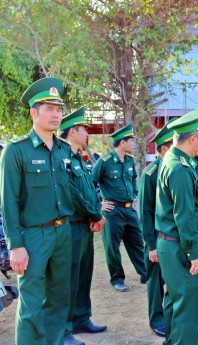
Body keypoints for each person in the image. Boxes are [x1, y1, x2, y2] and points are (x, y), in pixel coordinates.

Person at [0, 77, 74, 344]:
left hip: (63, 233)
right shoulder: (15, 151)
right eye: (49, 109)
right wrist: (15, 245)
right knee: (31, 305)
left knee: (58, 300)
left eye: (59, 109)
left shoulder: (65, 150)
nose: (56, 115)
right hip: (32, 238)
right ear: (34, 112)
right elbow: (8, 202)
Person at [156, 108, 198, 345]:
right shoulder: (178, 167)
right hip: (179, 245)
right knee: (187, 305)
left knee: (175, 302)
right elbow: (184, 214)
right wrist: (194, 253)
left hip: (171, 244)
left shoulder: (177, 160)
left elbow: (189, 190)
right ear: (192, 138)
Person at [59, 107, 108, 345]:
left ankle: (81, 318)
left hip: (85, 224)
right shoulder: (63, 157)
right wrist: (95, 214)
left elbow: (90, 191)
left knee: (84, 274)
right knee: (69, 277)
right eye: (83, 129)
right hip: (71, 226)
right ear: (72, 132)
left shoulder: (80, 158)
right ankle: (65, 329)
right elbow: (73, 194)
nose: (87, 133)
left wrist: (95, 214)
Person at [92, 122, 146, 292]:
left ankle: (146, 273)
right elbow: (89, 184)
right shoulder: (105, 162)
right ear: (122, 142)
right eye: (131, 140)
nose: (134, 144)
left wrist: (134, 195)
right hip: (112, 211)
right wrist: (99, 204)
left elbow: (133, 181)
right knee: (112, 247)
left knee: (137, 242)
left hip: (129, 209)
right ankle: (117, 279)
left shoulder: (129, 160)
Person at [139, 119, 175, 338]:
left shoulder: (177, 168)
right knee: (155, 281)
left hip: (173, 237)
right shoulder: (150, 174)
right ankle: (157, 318)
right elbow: (145, 212)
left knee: (175, 277)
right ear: (164, 148)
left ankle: (174, 311)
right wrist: (151, 246)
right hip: (157, 238)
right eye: (173, 144)